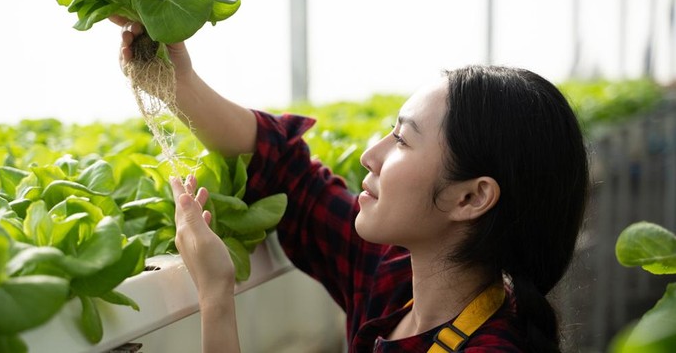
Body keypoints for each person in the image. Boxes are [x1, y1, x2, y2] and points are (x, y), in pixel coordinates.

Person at [115, 19, 590, 352]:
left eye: (402, 139)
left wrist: (216, 296)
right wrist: (177, 80)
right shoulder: (396, 281)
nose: (371, 154)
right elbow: (283, 168)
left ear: (470, 197)